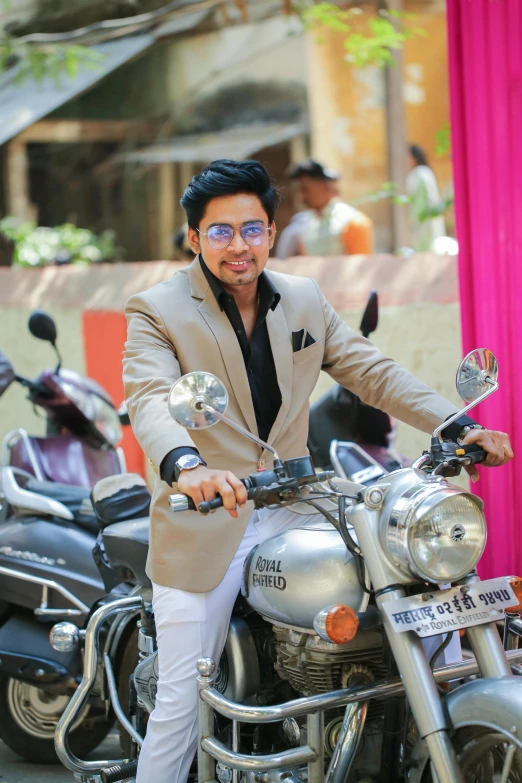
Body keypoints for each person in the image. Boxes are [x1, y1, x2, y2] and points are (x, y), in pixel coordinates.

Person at [122, 159, 513, 783]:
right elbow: (148, 395)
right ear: (194, 238)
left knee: (425, 609)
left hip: (300, 502)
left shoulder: (301, 299)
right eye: (219, 232)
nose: (238, 245)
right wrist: (186, 464)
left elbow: (370, 370)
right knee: (179, 698)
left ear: (272, 232)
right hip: (211, 511)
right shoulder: (158, 310)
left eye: (251, 228)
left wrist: (456, 425)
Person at [285, 158, 373, 256]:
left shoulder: (353, 222)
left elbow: (360, 267)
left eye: (305, 189)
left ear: (326, 186)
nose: (300, 197)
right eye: (298, 191)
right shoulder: (303, 227)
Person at [406, 143, 447, 251]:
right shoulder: (424, 172)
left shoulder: (420, 173)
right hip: (424, 216)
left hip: (424, 216)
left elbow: (424, 197)